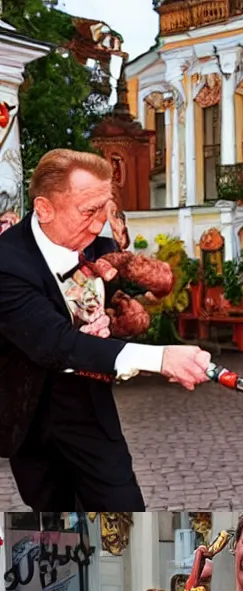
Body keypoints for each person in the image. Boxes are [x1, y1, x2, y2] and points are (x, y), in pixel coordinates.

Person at [0, 149, 210, 511]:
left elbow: (116, 308)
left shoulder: (99, 246)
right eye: (89, 212)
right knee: (52, 518)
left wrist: (118, 320)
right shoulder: (6, 261)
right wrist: (161, 358)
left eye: (104, 209)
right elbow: (54, 343)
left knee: (123, 505)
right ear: (45, 208)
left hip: (87, 403)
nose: (99, 225)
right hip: (27, 415)